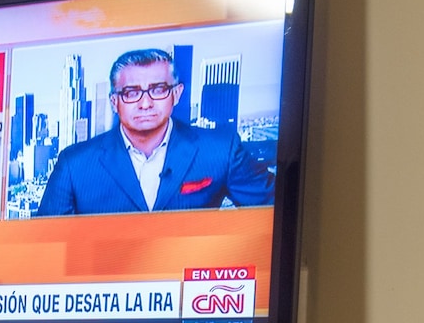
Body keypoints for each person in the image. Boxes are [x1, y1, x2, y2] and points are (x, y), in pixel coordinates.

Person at [35, 49, 274, 216]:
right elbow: (46, 245)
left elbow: (277, 215)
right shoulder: (74, 164)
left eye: (158, 90)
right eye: (131, 93)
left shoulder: (220, 150)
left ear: (176, 94)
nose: (145, 103)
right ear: (114, 102)